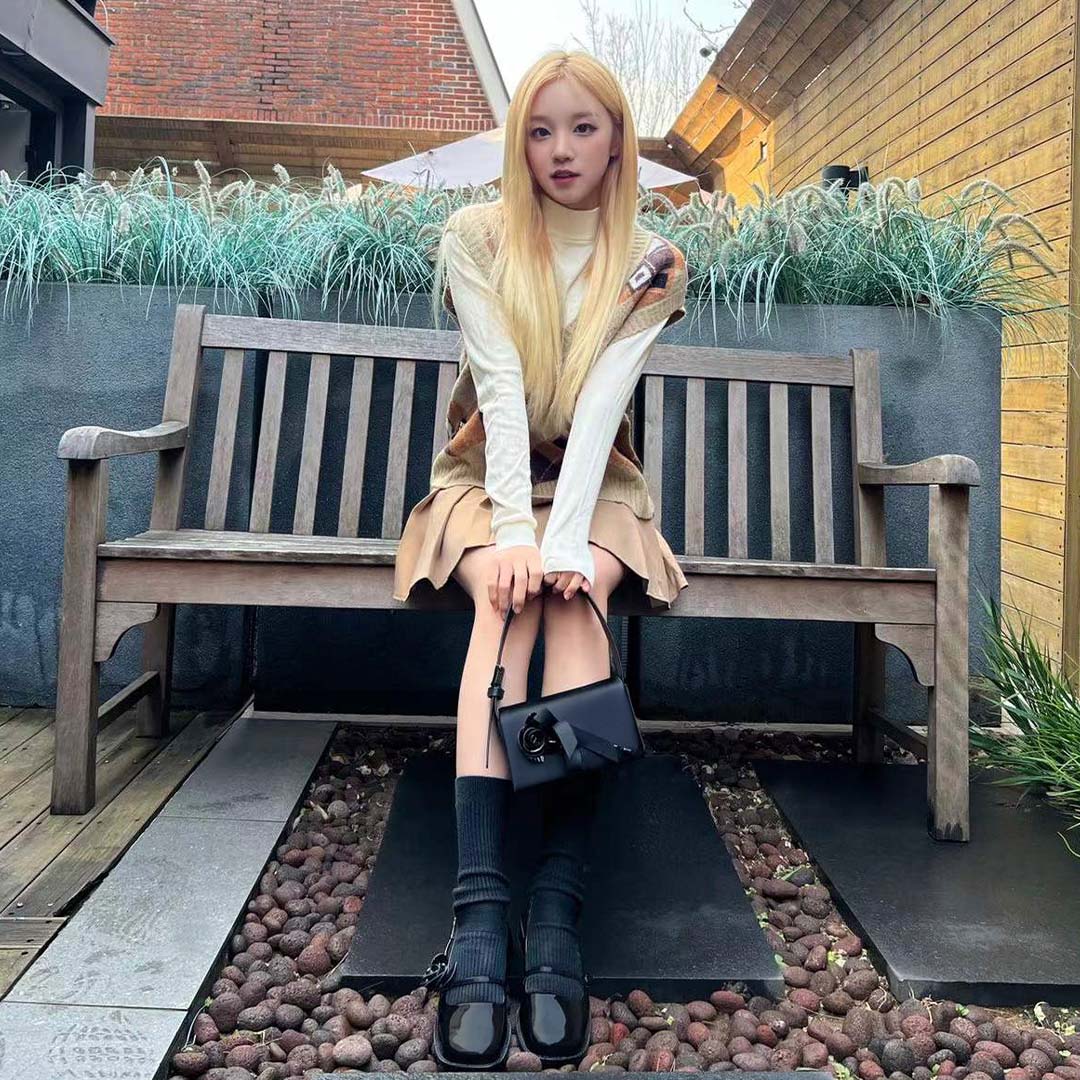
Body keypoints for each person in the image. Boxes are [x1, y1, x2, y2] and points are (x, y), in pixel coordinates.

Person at [391, 48, 689, 1072]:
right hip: (486, 478)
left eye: (583, 128)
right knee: (505, 604)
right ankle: (482, 914)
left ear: (617, 141)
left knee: (576, 601)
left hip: (600, 487)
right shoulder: (476, 237)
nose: (561, 150)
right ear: (519, 143)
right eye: (540, 130)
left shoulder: (654, 261)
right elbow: (500, 389)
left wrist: (565, 545)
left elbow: (603, 404)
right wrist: (518, 534)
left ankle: (556, 908)